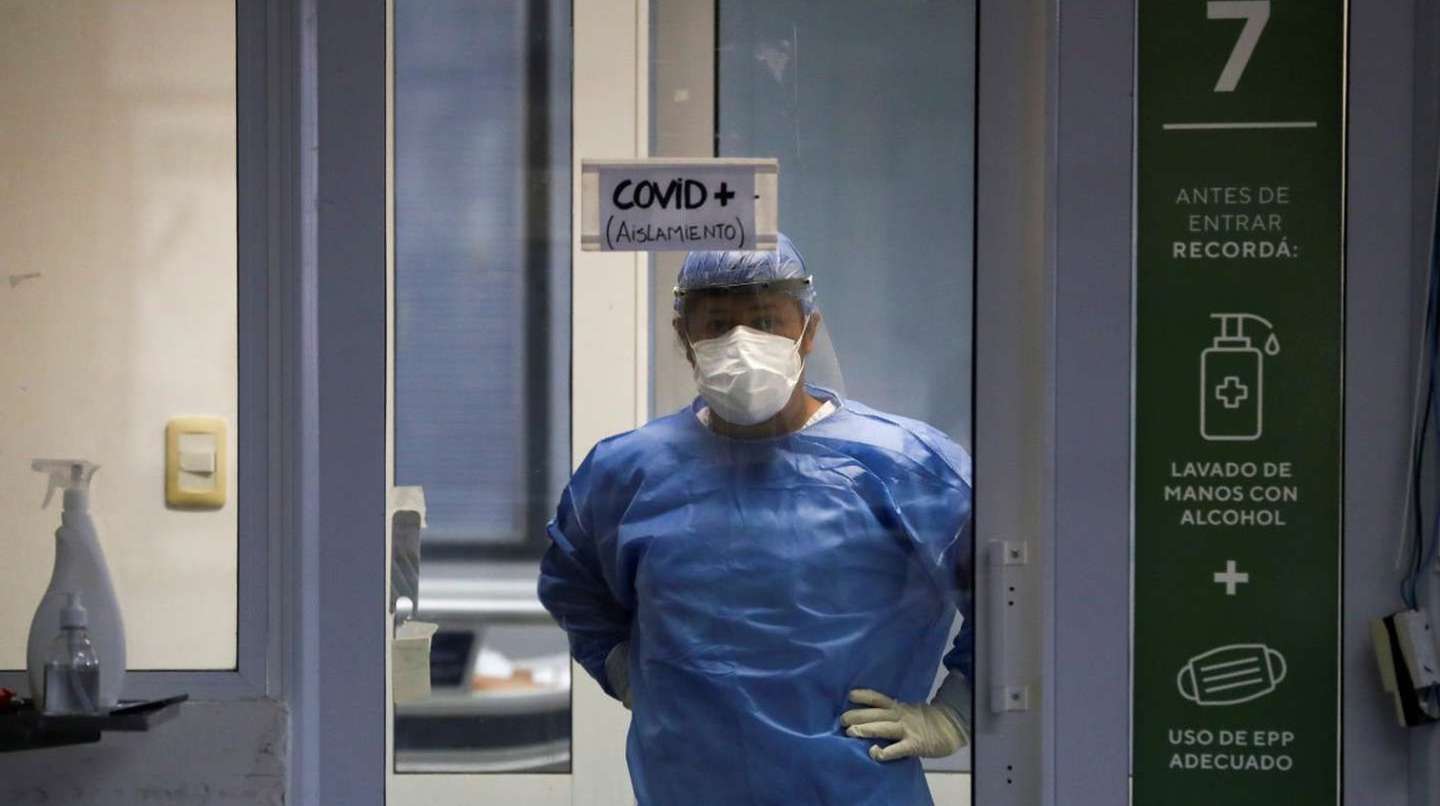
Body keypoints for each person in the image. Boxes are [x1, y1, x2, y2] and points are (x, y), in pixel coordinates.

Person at [538, 234, 973, 805]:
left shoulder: (907, 467)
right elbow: (575, 585)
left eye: (766, 320)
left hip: (855, 789)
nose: (742, 343)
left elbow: (1014, 594)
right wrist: (621, 667)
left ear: (808, 331)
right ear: (685, 338)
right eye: (718, 324)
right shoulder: (627, 472)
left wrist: (955, 712)